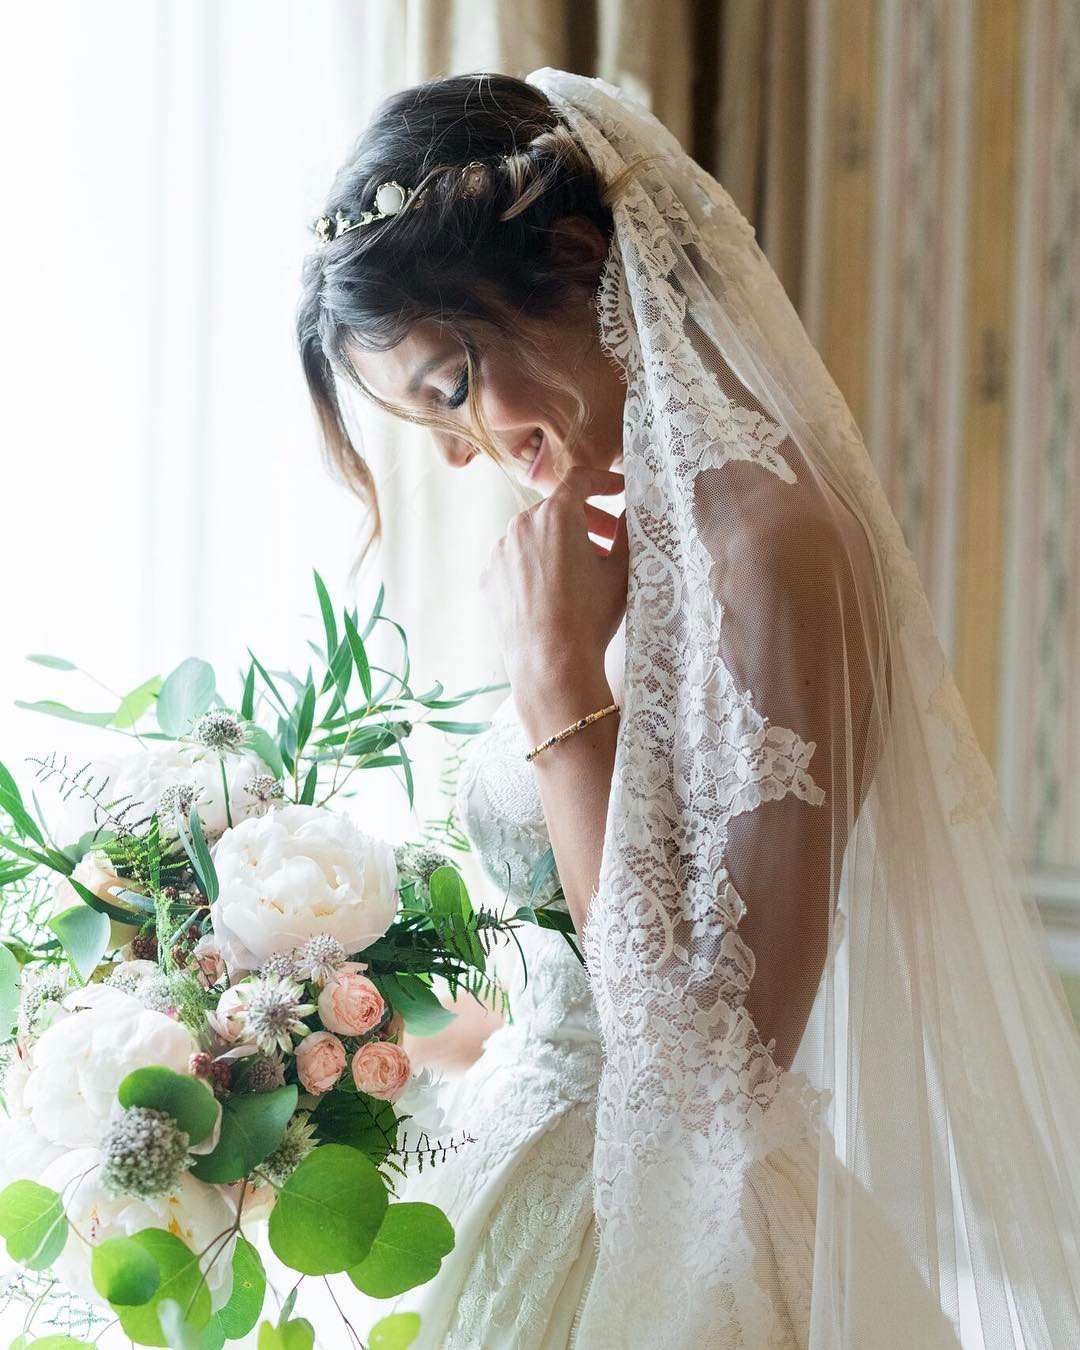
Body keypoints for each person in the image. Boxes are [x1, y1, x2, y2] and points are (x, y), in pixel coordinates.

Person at [296, 68, 1080, 1349]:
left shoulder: (776, 543)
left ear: (574, 259)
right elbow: (606, 933)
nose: (459, 451)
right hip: (536, 1179)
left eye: (450, 388)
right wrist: (346, 1048)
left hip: (673, 1245)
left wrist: (553, 679)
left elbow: (714, 1066)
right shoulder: (629, 543)